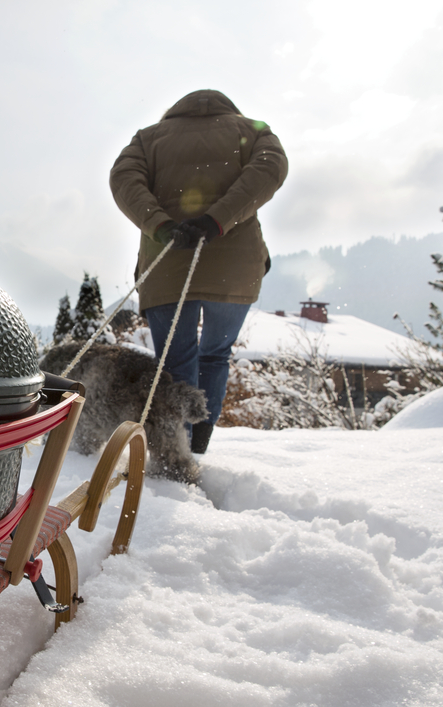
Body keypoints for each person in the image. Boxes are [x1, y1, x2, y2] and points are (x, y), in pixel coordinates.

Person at [110, 89, 287, 453]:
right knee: (216, 354)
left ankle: (177, 445)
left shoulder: (148, 138)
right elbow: (270, 170)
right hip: (234, 265)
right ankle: (201, 435)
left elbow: (124, 181)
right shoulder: (253, 131)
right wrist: (216, 220)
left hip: (167, 263)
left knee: (174, 360)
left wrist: (161, 226)